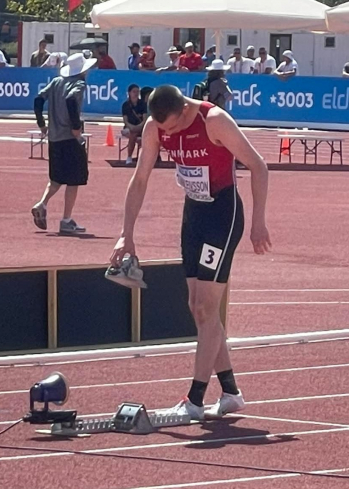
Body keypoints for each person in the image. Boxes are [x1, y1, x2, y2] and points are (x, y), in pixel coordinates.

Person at [110, 85, 271, 420]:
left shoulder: (214, 120)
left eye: (172, 127)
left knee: (204, 307)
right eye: (163, 130)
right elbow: (139, 179)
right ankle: (230, 392)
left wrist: (258, 222)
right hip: (193, 215)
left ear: (184, 110)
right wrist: (126, 234)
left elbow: (258, 166)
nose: (168, 135)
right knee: (197, 308)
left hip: (222, 216)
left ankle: (194, 400)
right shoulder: (155, 127)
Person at [30, 53, 97, 234]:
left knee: (57, 178)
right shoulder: (78, 84)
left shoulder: (56, 82)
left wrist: (41, 123)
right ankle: (66, 220)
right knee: (74, 180)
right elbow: (71, 100)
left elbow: (38, 99)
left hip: (54, 138)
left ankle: (42, 203)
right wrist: (76, 127)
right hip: (69, 138)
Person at [121, 84, 147, 166]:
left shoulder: (143, 104)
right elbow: (125, 120)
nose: (136, 93)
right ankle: (129, 157)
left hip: (141, 127)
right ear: (129, 93)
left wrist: (139, 126)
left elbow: (145, 119)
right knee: (133, 133)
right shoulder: (125, 105)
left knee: (137, 134)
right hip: (128, 128)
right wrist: (131, 127)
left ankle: (142, 158)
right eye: (134, 91)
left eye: (137, 92)